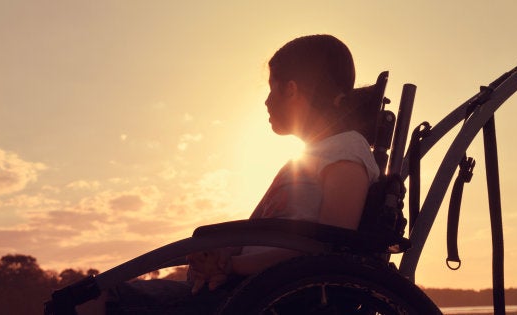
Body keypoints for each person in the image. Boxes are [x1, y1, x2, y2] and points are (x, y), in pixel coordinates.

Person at [94, 34, 380, 314]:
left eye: (272, 88)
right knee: (88, 294)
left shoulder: (346, 148)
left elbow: (331, 248)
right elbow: (267, 236)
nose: (267, 102)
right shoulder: (311, 156)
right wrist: (221, 257)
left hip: (266, 298)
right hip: (245, 291)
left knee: (94, 298)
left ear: (291, 90)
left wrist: (230, 266)